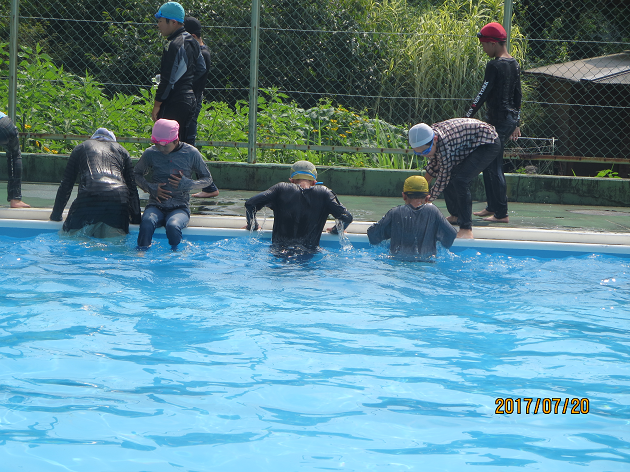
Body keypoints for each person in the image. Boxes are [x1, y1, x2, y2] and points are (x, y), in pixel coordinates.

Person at [465, 22, 522, 224]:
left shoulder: (494, 65)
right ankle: (492, 207)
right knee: (489, 163)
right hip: (508, 120)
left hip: (498, 120)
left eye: (484, 45)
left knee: (493, 164)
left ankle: (501, 213)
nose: (483, 49)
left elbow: (483, 92)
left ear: (493, 43)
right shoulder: (514, 63)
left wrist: (467, 115)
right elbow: (518, 95)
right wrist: (517, 122)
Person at [409, 118, 501, 240]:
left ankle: (466, 229)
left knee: (460, 180)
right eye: (418, 153)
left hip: (487, 142)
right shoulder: (431, 139)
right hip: (468, 142)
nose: (424, 155)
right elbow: (433, 166)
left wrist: (426, 200)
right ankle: (456, 215)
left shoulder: (444, 143)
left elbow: (443, 177)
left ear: (435, 139)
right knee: (451, 176)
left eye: (425, 151)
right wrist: (419, 191)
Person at [134, 119, 214, 249]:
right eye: (157, 145)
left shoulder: (191, 153)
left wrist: (188, 184)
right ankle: (141, 253)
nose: (161, 149)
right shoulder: (151, 153)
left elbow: (208, 179)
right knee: (147, 223)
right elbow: (136, 174)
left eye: (165, 146)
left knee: (173, 225)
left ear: (176, 141)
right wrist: (150, 187)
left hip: (179, 207)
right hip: (156, 205)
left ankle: (175, 254)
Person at [50, 128, 141, 237]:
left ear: (93, 138)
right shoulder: (123, 151)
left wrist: (56, 216)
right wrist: (136, 219)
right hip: (118, 202)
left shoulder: (81, 147)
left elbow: (66, 184)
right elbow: (132, 188)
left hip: (89, 198)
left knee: (72, 239)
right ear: (113, 141)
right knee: (115, 243)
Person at [244, 160, 353, 251]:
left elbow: (250, 204)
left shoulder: (281, 189)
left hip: (279, 253)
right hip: (309, 255)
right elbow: (346, 217)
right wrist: (336, 230)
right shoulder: (324, 193)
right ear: (314, 182)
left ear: (291, 180)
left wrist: (252, 226)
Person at [152, 2, 206, 144]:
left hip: (175, 100)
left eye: (160, 21)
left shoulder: (174, 44)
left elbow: (168, 80)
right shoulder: (193, 41)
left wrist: (157, 105)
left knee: (166, 143)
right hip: (190, 99)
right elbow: (201, 68)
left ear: (173, 22)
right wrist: (187, 85)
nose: (158, 25)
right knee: (183, 143)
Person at [367, 176, 457, 260]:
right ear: (427, 198)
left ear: (404, 196)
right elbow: (451, 234)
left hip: (398, 263)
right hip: (426, 264)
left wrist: (390, 232)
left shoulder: (395, 212)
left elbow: (373, 235)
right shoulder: (433, 211)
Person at [184, 16, 219, 199]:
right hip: (192, 100)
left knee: (189, 144)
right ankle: (207, 186)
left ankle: (209, 186)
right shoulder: (200, 51)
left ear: (192, 36)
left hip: (192, 102)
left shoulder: (201, 54)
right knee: (186, 143)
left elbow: (193, 80)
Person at [0, 112, 30, 208]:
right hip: (4, 124)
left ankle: (15, 198)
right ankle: (15, 198)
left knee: (14, 154)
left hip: (3, 124)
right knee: (14, 155)